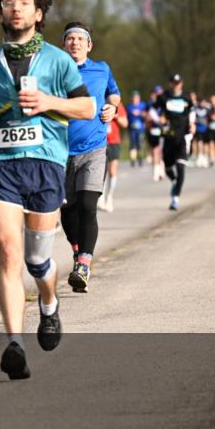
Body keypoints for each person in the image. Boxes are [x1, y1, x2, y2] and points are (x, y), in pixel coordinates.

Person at [0, 0, 94, 379]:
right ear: (2, 12)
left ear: (38, 13)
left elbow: (87, 109)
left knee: (37, 259)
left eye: (24, 2)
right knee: (8, 254)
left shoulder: (59, 61)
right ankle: (14, 344)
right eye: (9, 3)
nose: (16, 8)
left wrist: (47, 101)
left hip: (44, 164)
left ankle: (48, 304)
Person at [58, 21, 120, 293]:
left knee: (88, 205)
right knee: (66, 210)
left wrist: (111, 108)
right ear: (64, 45)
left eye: (80, 39)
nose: (75, 42)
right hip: (60, 150)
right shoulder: (55, 70)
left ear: (89, 45)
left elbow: (114, 94)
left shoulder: (102, 68)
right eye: (70, 38)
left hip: (94, 148)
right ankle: (77, 249)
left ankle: (84, 263)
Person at [152, 73, 195, 210]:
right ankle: (174, 181)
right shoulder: (163, 96)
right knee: (169, 167)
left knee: (181, 167)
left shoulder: (187, 97)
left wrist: (192, 124)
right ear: (171, 83)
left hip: (181, 137)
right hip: (168, 137)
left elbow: (192, 111)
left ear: (181, 83)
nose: (176, 85)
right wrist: (158, 120)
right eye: (174, 82)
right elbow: (152, 110)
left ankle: (175, 198)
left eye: (178, 82)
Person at [100, 101, 128, 212]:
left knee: (112, 170)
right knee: (101, 171)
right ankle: (100, 198)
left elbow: (125, 123)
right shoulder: (98, 98)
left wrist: (115, 116)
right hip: (100, 142)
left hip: (114, 141)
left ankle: (109, 197)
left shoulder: (117, 104)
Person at [146, 85, 165, 180]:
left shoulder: (165, 103)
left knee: (161, 151)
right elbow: (146, 115)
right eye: (157, 93)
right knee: (155, 150)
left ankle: (161, 169)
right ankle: (156, 171)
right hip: (153, 129)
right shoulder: (150, 104)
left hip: (163, 130)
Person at [126, 90, 147, 168]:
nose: (135, 99)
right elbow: (127, 118)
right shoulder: (129, 106)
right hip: (132, 129)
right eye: (134, 97)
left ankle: (140, 158)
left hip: (140, 129)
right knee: (132, 145)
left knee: (140, 145)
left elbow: (146, 114)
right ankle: (133, 160)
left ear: (139, 98)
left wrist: (140, 113)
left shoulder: (142, 105)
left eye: (137, 97)